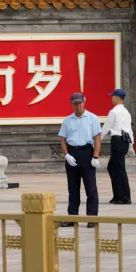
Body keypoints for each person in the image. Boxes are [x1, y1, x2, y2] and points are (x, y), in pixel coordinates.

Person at [58, 92, 102, 228]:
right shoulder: (67, 120)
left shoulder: (92, 118)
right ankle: (72, 217)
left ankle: (92, 217)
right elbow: (63, 139)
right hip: (72, 153)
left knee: (90, 187)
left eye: (80, 103)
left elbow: (97, 138)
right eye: (75, 104)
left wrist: (95, 156)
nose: (78, 106)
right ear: (72, 104)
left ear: (84, 102)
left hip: (86, 152)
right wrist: (66, 155)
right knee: (73, 188)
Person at [101, 88, 134, 205]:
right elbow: (130, 131)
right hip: (125, 141)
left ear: (118, 98)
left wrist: (96, 140)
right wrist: (131, 146)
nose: (111, 98)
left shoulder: (114, 112)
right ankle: (117, 195)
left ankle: (124, 197)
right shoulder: (127, 112)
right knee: (112, 167)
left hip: (118, 140)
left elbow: (106, 128)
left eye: (113, 96)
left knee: (119, 169)